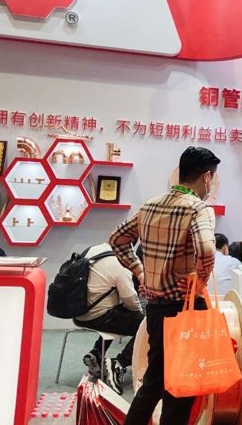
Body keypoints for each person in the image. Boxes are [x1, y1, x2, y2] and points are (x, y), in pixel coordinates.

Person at [109, 146, 220, 425]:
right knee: (182, 386)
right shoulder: (198, 209)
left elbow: (117, 239)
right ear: (206, 177)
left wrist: (140, 271)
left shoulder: (150, 205)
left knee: (155, 380)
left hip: (157, 308)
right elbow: (207, 249)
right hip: (187, 308)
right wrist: (200, 280)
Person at [73, 242, 144, 395]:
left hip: (78, 313)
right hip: (100, 318)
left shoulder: (92, 249)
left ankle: (97, 353)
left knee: (117, 312)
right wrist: (140, 312)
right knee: (148, 325)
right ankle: (119, 363)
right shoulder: (121, 265)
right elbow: (131, 301)